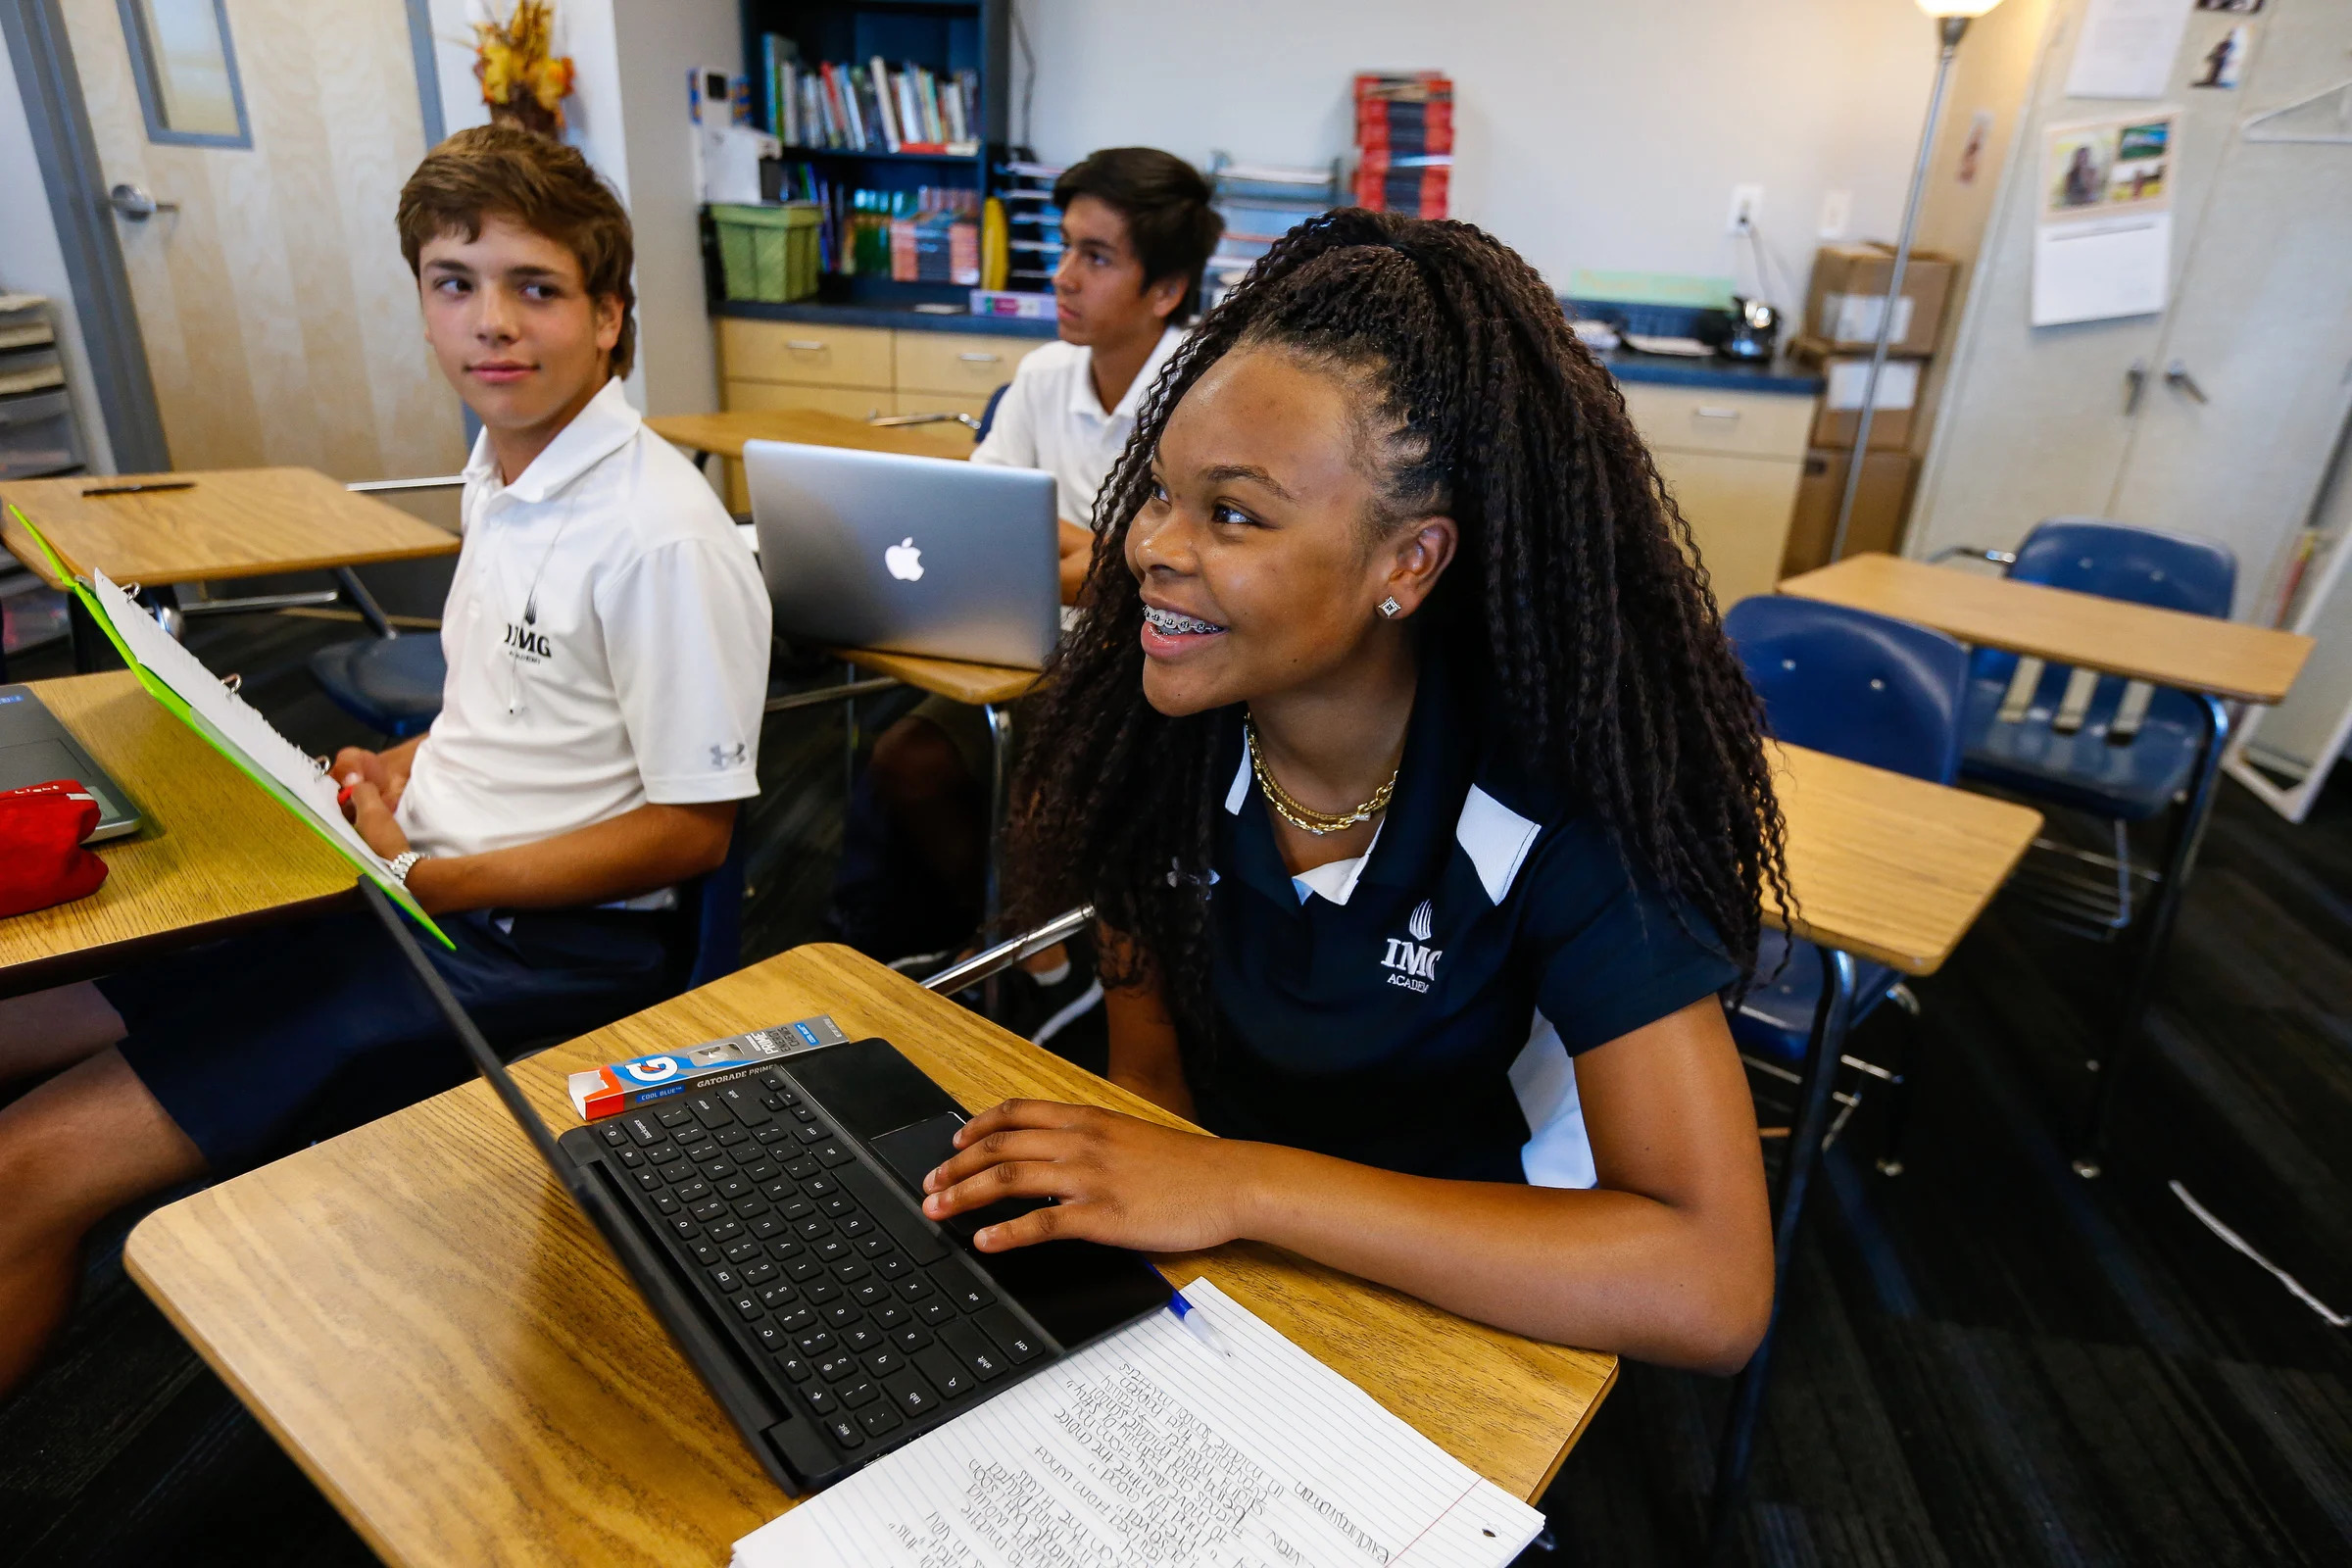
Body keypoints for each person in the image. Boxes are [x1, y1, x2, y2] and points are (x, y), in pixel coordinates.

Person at [911, 211, 1784, 1370]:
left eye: (1232, 513)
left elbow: (1711, 1284)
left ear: (1408, 562)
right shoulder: (1155, 732)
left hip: (1488, 1301)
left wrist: (1243, 1185)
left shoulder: (1560, 809)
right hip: (1241, 1268)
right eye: (1160, 493)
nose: (1151, 546)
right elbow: (1152, 1090)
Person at [0, 124, 770, 1396]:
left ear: (608, 318)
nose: (491, 324)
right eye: (455, 284)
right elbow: (513, 711)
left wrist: (433, 877)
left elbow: (693, 832)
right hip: (407, 879)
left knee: (26, 1166)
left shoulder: (660, 539)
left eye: (536, 288)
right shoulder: (505, 472)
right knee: (25, 1015)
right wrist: (407, 764)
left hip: (518, 945)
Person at [845, 150, 1223, 1040]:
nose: (1062, 276)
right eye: (1064, 247)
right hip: (1017, 641)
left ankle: (1052, 969)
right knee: (905, 760)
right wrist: (1091, 552)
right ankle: (1012, 943)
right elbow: (978, 525)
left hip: (1141, 662)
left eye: (1096, 256)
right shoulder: (1044, 375)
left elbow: (1156, 573)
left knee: (1045, 777)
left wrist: (1080, 551)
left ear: (1166, 290)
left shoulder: (1205, 396)